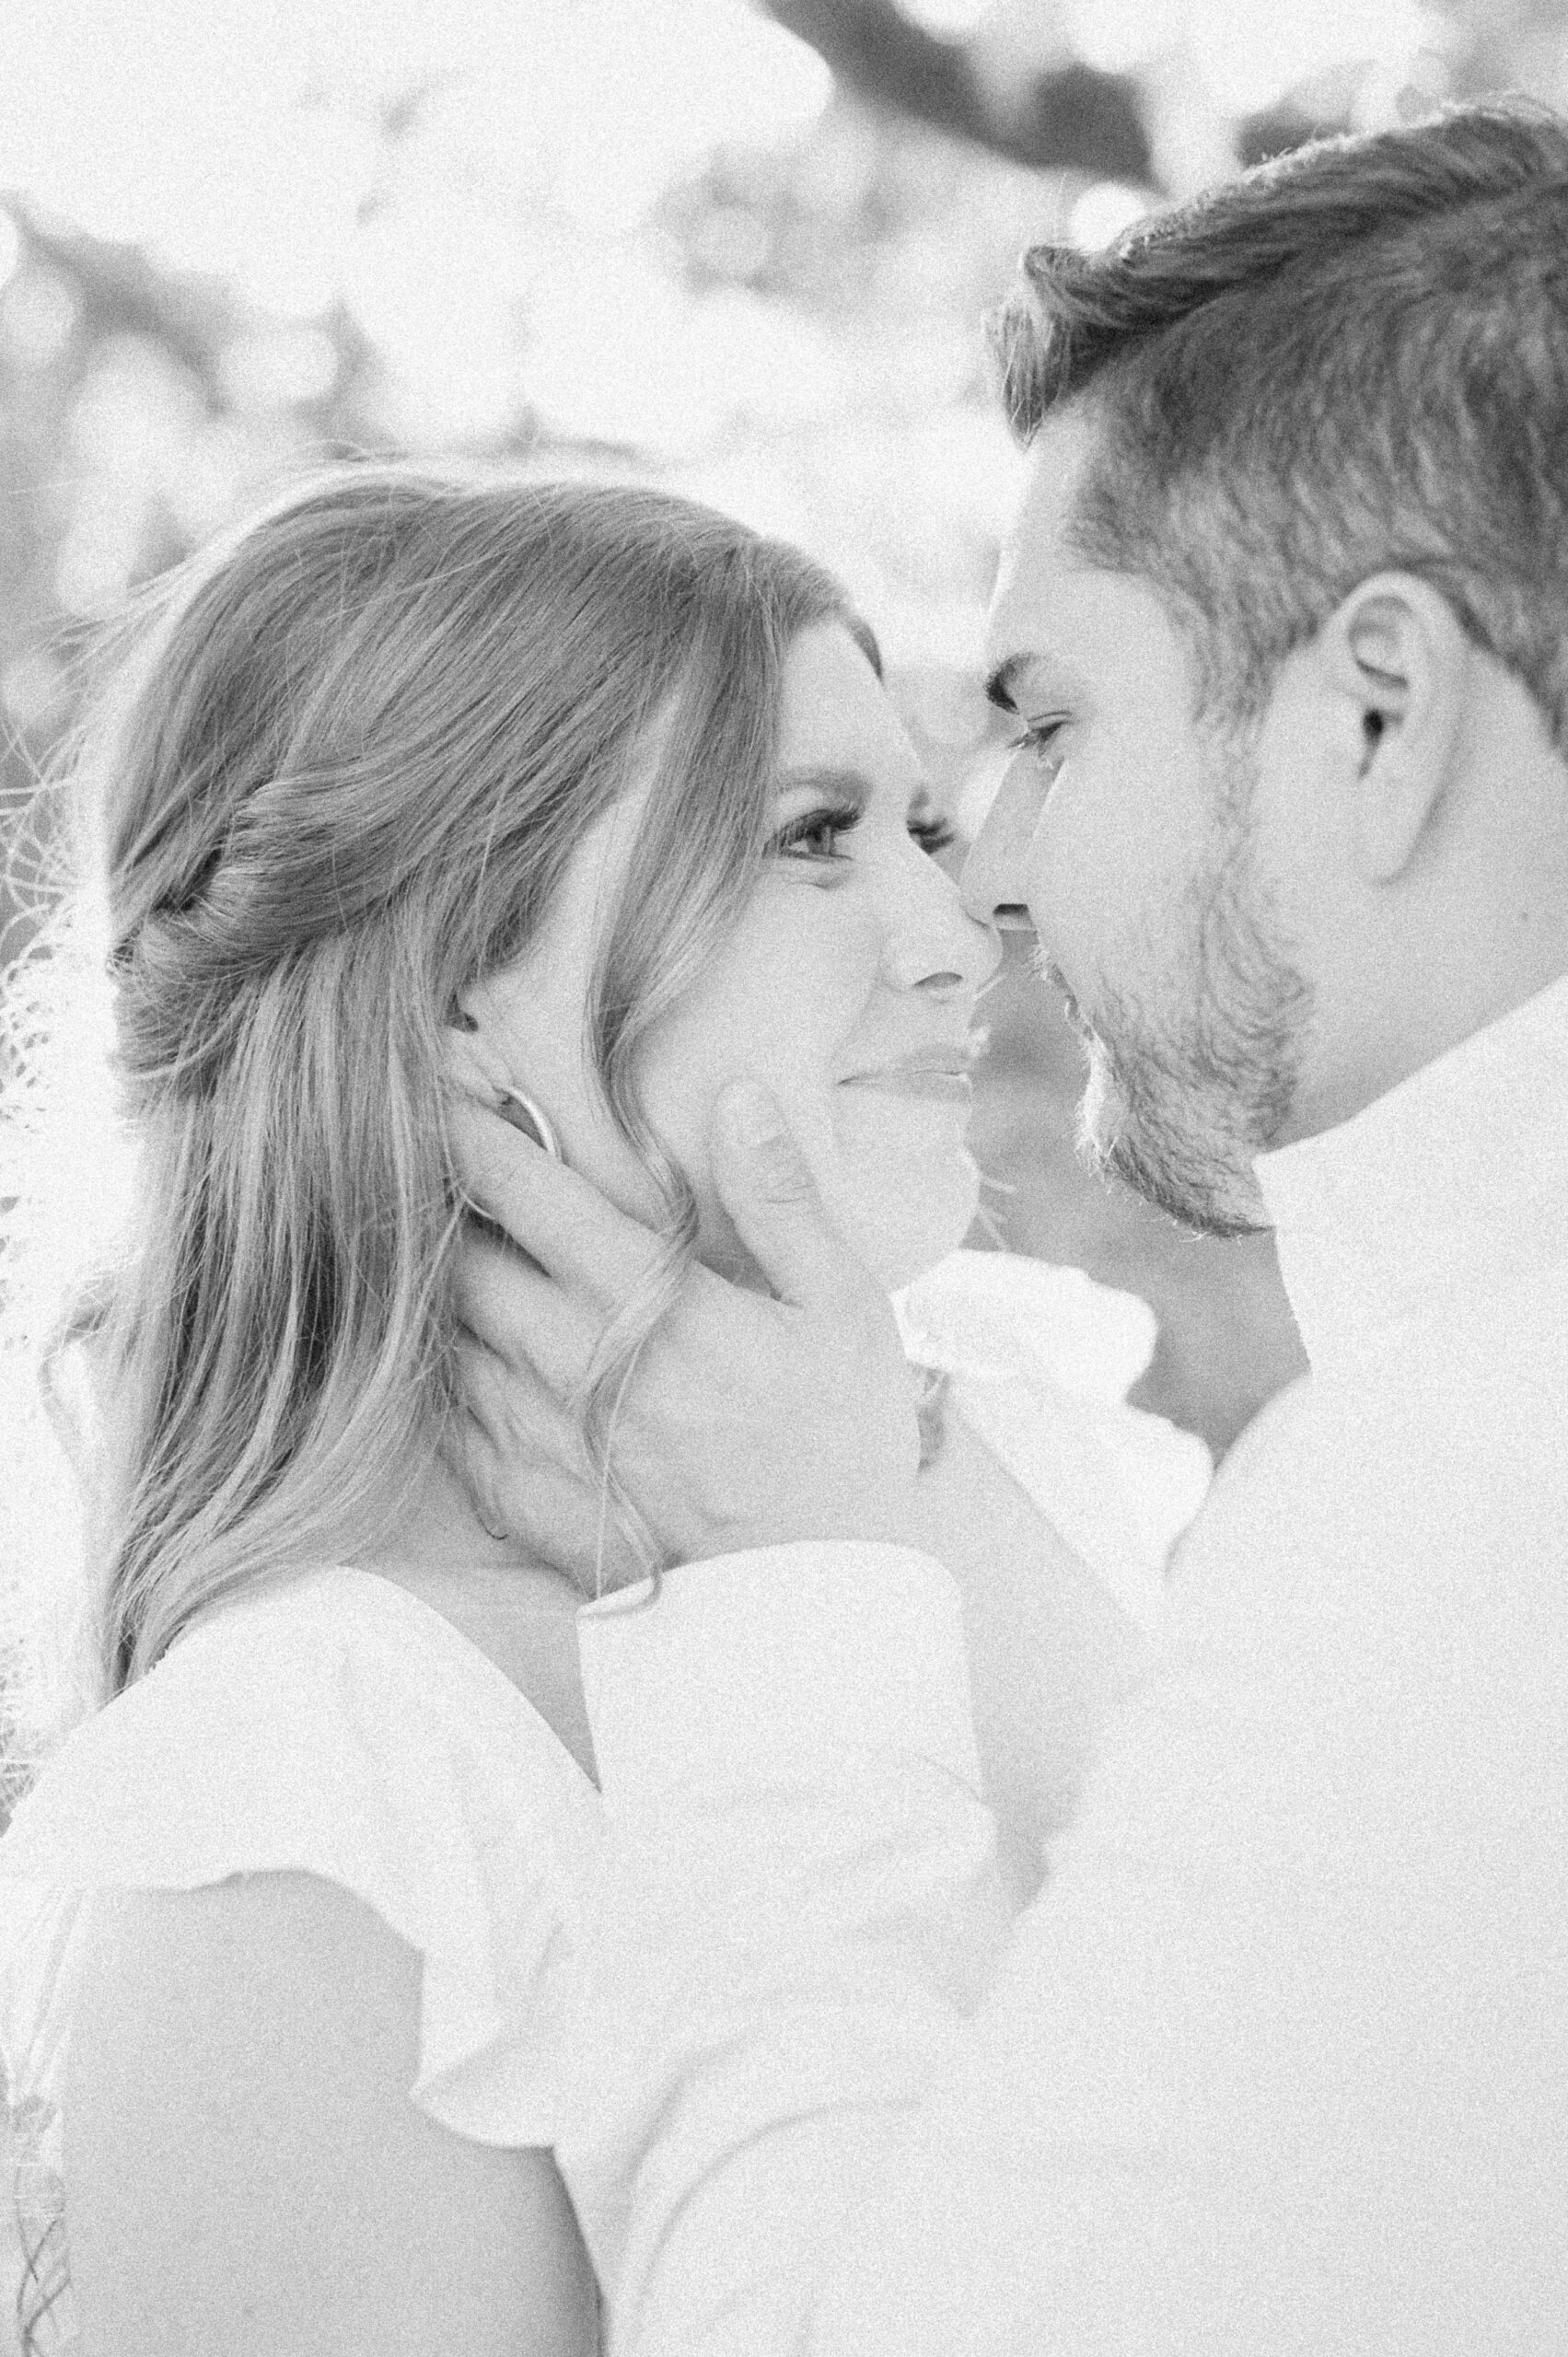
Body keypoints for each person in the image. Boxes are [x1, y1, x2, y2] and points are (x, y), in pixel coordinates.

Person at [445, 102, 1568, 2351]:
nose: (997, 881)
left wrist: (781, 1596)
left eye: (1045, 721)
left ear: (1378, 708)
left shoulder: (1458, 1501)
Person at [0, 467, 1207, 2354]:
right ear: (454, 978)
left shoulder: (991, 1445)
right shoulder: (326, 1780)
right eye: (809, 836)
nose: (957, 926)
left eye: (917, 819)